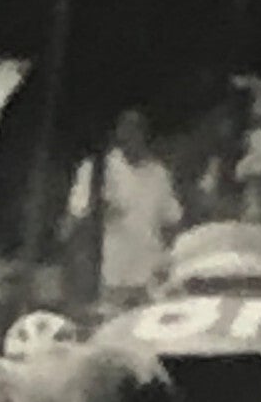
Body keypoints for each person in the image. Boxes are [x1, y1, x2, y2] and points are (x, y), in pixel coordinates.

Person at [64, 108, 183, 308]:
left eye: (137, 130)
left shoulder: (158, 174)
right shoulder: (97, 171)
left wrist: (171, 263)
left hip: (149, 278)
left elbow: (172, 220)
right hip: (109, 277)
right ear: (118, 133)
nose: (131, 135)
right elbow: (76, 216)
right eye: (126, 129)